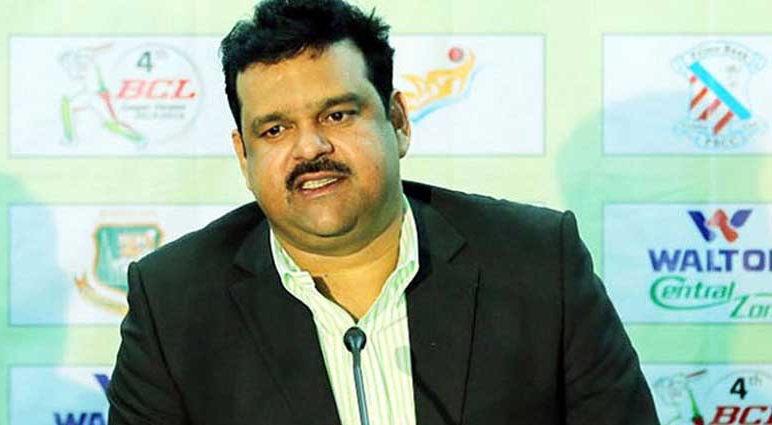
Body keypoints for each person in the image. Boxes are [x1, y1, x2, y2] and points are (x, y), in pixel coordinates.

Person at [107, 0, 660, 423]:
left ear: (397, 122)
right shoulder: (173, 303)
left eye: (337, 115)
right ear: (243, 155)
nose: (309, 148)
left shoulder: (537, 261)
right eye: (275, 130)